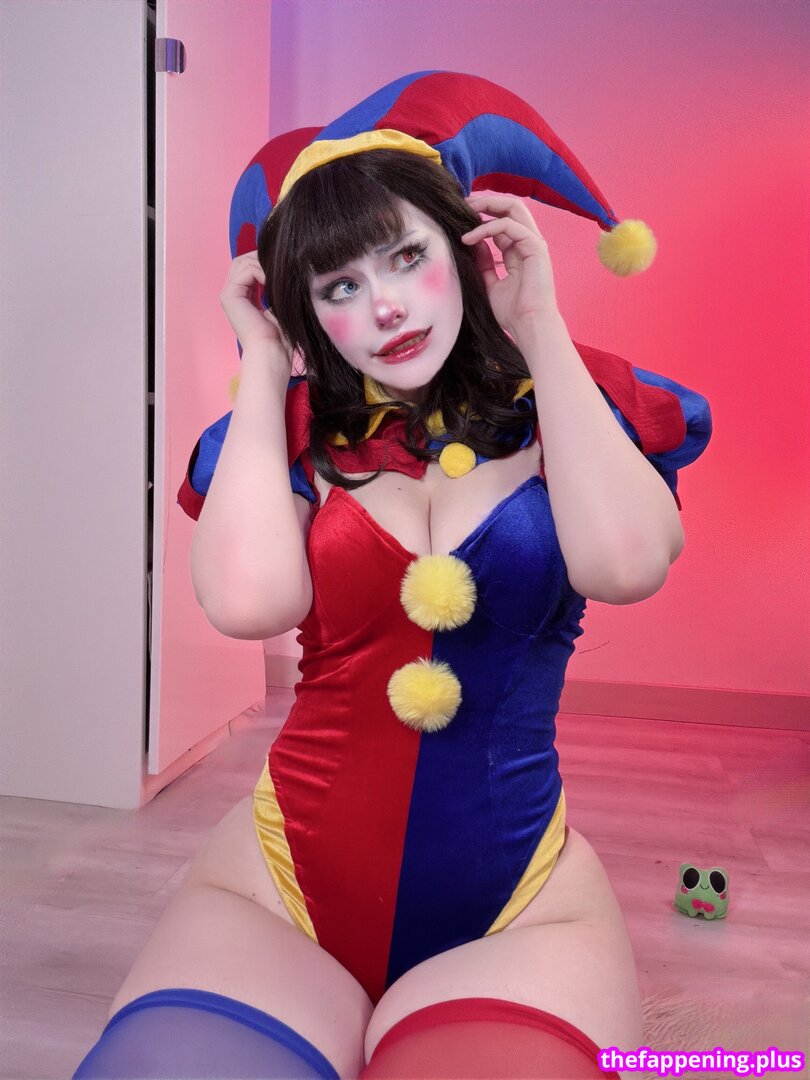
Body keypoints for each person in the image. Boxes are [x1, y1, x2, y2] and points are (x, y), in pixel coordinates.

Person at [74, 72, 711, 1079]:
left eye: (407, 256)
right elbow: (246, 603)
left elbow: (627, 564)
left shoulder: (572, 406)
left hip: (520, 911)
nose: (385, 307)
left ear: (466, 247)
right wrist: (263, 360)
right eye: (338, 288)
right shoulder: (286, 436)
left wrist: (539, 323)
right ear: (309, 313)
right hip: (275, 891)